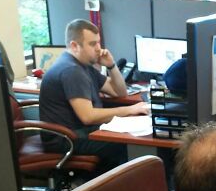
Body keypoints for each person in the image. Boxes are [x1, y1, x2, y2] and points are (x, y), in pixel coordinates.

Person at [39, 19, 149, 171]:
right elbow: (88, 116)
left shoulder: (83, 65)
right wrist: (130, 110)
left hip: (79, 132)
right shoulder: (71, 70)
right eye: (92, 44)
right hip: (66, 139)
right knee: (126, 144)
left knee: (129, 138)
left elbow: (119, 92)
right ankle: (108, 184)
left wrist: (111, 65)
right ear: (74, 46)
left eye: (98, 42)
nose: (99, 48)